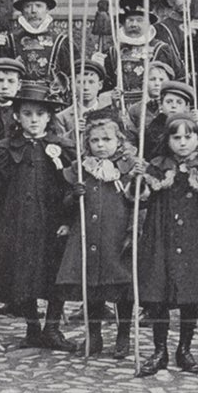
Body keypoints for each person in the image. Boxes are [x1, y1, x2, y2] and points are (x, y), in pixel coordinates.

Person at [0, 82, 77, 351]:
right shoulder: (4, 148)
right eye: (27, 114)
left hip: (53, 222)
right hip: (19, 221)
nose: (33, 120)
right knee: (24, 274)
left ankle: (53, 328)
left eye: (39, 114)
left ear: (49, 117)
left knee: (55, 273)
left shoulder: (63, 147)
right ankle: (33, 327)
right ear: (17, 116)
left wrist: (68, 219)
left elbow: (72, 185)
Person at [135, 116, 198, 376]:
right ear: (167, 140)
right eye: (176, 137)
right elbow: (140, 200)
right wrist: (139, 182)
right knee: (160, 297)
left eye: (188, 137)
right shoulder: (156, 167)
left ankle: (184, 349)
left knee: (190, 297)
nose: (182, 142)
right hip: (162, 238)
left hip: (194, 239)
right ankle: (160, 350)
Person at [55, 115, 139, 358]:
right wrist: (74, 195)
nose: (100, 145)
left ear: (119, 141)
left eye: (107, 139)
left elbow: (140, 202)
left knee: (123, 286)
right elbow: (65, 205)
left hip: (117, 236)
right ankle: (94, 335)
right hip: (89, 236)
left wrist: (134, 231)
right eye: (94, 140)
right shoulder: (82, 169)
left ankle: (123, 334)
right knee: (92, 286)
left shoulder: (127, 168)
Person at [102, 0, 181, 110]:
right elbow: (104, 85)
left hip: (155, 108)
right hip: (121, 109)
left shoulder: (162, 49)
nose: (134, 24)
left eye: (139, 20)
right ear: (123, 24)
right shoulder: (113, 52)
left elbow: (178, 79)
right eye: (130, 20)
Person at [4, 0, 71, 92]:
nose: (33, 11)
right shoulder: (10, 41)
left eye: (39, 6)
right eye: (28, 6)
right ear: (22, 11)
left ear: (47, 9)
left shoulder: (61, 42)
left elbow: (71, 76)